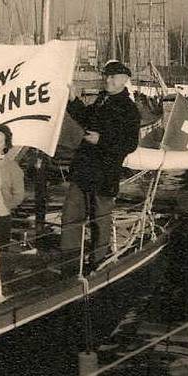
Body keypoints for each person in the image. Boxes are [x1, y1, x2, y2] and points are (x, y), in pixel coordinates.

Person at [61, 60, 141, 265]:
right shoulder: (102, 100)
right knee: (71, 214)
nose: (107, 79)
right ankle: (69, 259)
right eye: (106, 76)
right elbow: (86, 118)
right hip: (84, 169)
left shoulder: (129, 109)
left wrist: (101, 140)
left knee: (100, 218)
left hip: (105, 172)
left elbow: (130, 144)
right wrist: (73, 100)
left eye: (112, 77)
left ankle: (98, 259)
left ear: (123, 81)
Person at [0, 124, 26, 250]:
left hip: (1, 218)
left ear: (5, 145)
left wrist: (6, 206)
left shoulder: (12, 167)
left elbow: (19, 195)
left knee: (1, 255)